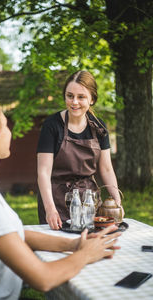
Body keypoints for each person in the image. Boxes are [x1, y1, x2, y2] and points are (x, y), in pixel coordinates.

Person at [0, 79, 121, 299]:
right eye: (6, 125)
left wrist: (73, 244)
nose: (9, 132)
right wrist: (86, 254)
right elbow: (43, 279)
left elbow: (13, 234)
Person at [37, 70, 124, 229]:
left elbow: (106, 168)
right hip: (55, 200)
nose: (74, 102)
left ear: (92, 99)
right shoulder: (52, 125)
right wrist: (50, 209)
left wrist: (117, 201)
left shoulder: (99, 126)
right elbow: (43, 172)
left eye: (81, 97)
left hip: (89, 201)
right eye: (70, 96)